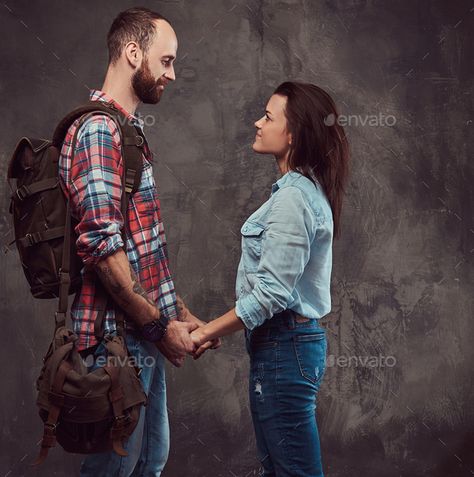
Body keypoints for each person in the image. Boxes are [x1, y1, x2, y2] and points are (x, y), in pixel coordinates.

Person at [58, 7, 219, 476]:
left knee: (149, 462)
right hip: (113, 344)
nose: (172, 73)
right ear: (133, 53)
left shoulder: (125, 132)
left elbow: (142, 252)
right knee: (115, 471)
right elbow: (104, 253)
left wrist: (182, 317)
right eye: (165, 60)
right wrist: (158, 328)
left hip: (138, 339)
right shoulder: (98, 131)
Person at [190, 81, 349, 476]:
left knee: (293, 471)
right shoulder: (299, 192)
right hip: (282, 348)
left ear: (293, 133)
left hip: (285, 348)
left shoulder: (295, 198)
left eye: (268, 116)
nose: (257, 123)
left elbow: (271, 295)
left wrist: (206, 332)